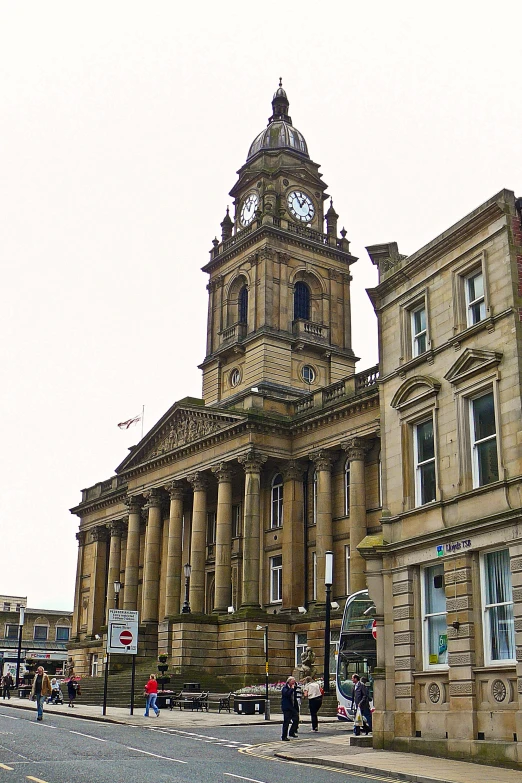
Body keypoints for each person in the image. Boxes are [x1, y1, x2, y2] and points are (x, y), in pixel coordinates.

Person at [280, 676, 299, 741]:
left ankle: (291, 732)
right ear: (289, 682)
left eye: (294, 681)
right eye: (292, 681)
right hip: (287, 708)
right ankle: (284, 736)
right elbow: (287, 694)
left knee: (296, 719)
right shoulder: (285, 688)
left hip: (293, 707)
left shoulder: (294, 688)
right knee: (286, 722)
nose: (294, 682)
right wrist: (291, 689)